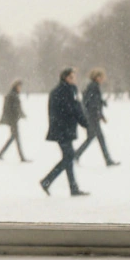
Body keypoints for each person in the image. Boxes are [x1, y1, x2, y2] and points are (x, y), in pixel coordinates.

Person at [40, 68, 90, 196]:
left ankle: (72, 187)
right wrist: (85, 123)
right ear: (66, 78)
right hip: (63, 130)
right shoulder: (66, 91)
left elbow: (73, 109)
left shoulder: (63, 91)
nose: (74, 80)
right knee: (69, 157)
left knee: (68, 157)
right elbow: (73, 109)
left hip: (62, 129)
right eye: (72, 77)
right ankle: (47, 181)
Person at [74, 67, 119, 166]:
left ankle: (76, 155)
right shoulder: (93, 86)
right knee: (99, 138)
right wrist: (99, 114)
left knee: (91, 138)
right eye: (102, 77)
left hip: (92, 116)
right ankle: (107, 160)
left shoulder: (93, 86)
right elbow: (91, 103)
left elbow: (93, 101)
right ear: (97, 77)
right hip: (92, 117)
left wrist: (101, 104)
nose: (103, 79)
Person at [0, 79, 30, 162]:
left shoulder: (14, 95)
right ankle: (21, 157)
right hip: (13, 120)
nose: (20, 88)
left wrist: (22, 114)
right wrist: (13, 117)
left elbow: (17, 108)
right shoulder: (12, 95)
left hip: (14, 120)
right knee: (16, 138)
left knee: (13, 138)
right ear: (16, 86)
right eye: (19, 86)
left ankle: (0, 154)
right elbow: (9, 109)